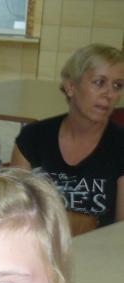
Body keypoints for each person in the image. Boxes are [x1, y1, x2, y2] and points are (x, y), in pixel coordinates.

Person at [11, 43, 124, 236]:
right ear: (71, 86)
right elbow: (16, 215)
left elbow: (121, 231)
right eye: (99, 82)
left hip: (99, 251)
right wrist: (78, 222)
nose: (109, 94)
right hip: (39, 247)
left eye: (117, 86)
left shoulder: (120, 146)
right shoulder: (33, 138)